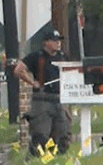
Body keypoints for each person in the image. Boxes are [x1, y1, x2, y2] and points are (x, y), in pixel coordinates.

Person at [12, 28, 71, 156]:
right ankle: (36, 161)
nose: (58, 43)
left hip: (59, 99)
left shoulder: (63, 57)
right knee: (40, 135)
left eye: (59, 41)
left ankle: (59, 160)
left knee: (63, 134)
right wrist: (33, 83)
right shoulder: (36, 56)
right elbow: (18, 70)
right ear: (46, 42)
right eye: (54, 41)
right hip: (42, 100)